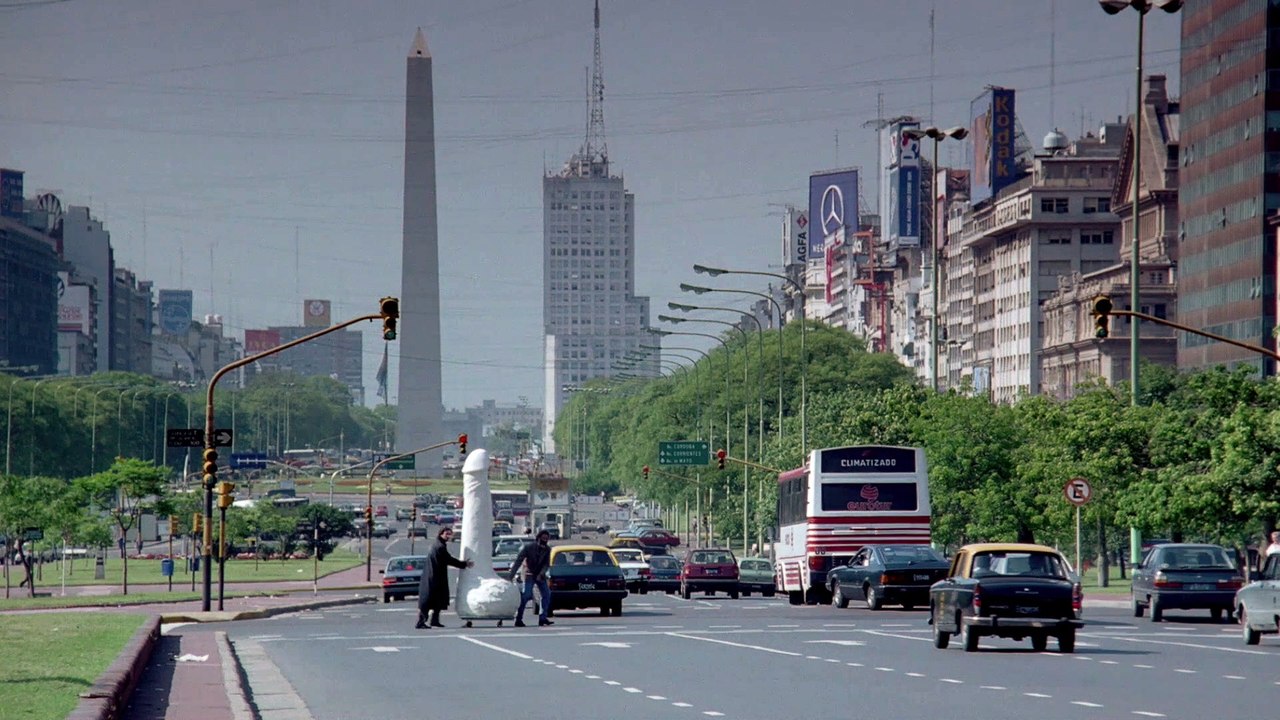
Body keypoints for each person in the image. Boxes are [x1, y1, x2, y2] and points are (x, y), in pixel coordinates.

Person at [416, 527, 472, 629]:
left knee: (437, 600)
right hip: (433, 577)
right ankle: (421, 621)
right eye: (447, 534)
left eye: (450, 534)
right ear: (441, 534)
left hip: (435, 576)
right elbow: (448, 559)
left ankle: (434, 620)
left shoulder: (439, 545)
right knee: (428, 600)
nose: (448, 536)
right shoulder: (439, 547)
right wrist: (463, 564)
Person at [507, 529, 553, 627]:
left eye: (546, 538)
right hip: (529, 574)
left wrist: (541, 573)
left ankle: (543, 618)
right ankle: (518, 619)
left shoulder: (547, 549)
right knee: (526, 595)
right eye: (543, 538)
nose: (544, 540)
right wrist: (511, 575)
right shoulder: (529, 548)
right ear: (538, 538)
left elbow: (546, 564)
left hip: (540, 575)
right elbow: (518, 561)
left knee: (546, 594)